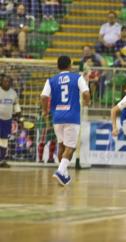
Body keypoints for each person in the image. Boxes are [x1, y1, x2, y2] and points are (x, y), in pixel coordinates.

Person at [41, 56, 90, 186]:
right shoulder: (77, 78)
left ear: (58, 67)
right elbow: (86, 93)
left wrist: (45, 111)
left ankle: (64, 174)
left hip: (57, 116)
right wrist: (86, 103)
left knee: (61, 144)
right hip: (72, 116)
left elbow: (44, 97)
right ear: (70, 65)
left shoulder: (51, 80)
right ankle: (60, 170)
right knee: (71, 147)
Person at [0, 74, 21, 168]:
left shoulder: (13, 93)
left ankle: (1, 160)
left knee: (4, 140)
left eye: (8, 81)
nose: (7, 83)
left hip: (7, 120)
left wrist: (19, 116)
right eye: (5, 81)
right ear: (1, 82)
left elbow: (16, 105)